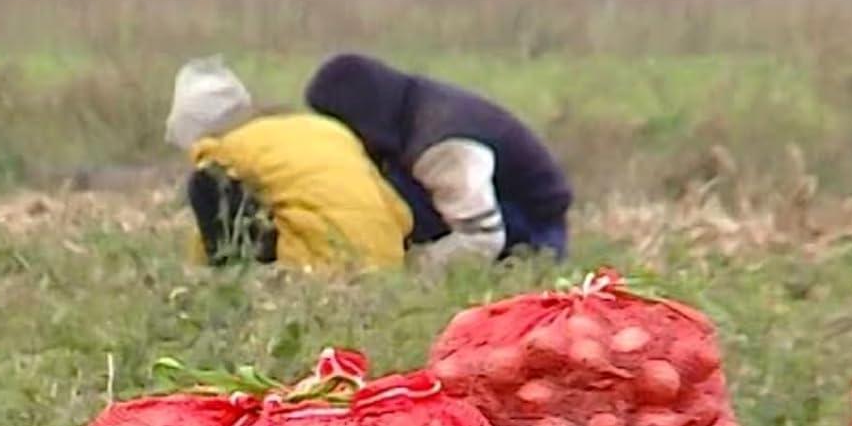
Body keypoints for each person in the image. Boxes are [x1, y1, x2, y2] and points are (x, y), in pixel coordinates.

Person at [304, 52, 573, 269]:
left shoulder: (441, 145)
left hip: (529, 228)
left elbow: (482, 237)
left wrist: (407, 274)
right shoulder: (407, 107)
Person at [165, 57, 412, 272]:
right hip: (388, 264)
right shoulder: (326, 129)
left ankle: (240, 280)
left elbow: (215, 221)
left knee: (205, 184)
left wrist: (197, 271)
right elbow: (398, 211)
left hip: (317, 271)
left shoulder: (224, 151)